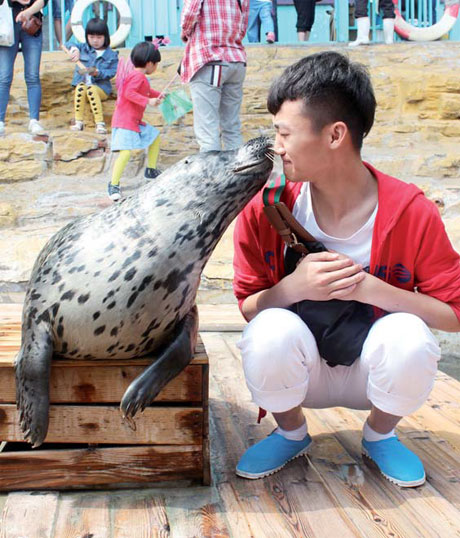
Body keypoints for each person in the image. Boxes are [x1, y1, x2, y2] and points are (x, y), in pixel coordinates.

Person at [232, 51, 460, 487]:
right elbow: (248, 304)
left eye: (284, 133)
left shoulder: (410, 210)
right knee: (268, 329)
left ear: (335, 135)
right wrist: (294, 287)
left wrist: (370, 290)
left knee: (410, 337)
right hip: (302, 371)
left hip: (372, 372)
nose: (275, 146)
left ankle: (380, 435)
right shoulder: (267, 208)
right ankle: (291, 432)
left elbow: (454, 313)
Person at [180, 0, 249, 152]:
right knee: (232, 127)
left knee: (208, 130)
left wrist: (185, 32)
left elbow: (190, 13)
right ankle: (239, 174)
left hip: (209, 58)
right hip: (236, 60)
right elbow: (243, 25)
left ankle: (212, 175)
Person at [108, 41, 164, 202]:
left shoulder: (138, 76)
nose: (156, 67)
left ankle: (151, 170)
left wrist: (158, 95)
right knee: (125, 153)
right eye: (156, 64)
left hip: (134, 121)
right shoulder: (137, 76)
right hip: (125, 122)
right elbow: (128, 93)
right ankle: (113, 184)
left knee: (155, 136)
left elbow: (146, 91)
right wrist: (148, 101)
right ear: (149, 63)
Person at [0, 0, 48, 136]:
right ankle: (0, 121)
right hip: (7, 23)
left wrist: (27, 11)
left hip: (31, 24)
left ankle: (34, 120)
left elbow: (43, 1)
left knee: (32, 76)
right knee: (4, 76)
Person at [66, 17, 118, 134]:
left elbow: (112, 72)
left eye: (99, 37)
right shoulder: (83, 48)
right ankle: (78, 121)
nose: (95, 40)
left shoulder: (111, 55)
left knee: (91, 89)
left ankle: (99, 123)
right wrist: (75, 50)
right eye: (91, 37)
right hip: (84, 85)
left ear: (105, 37)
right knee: (80, 87)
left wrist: (98, 73)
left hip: (101, 88)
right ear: (87, 37)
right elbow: (68, 43)